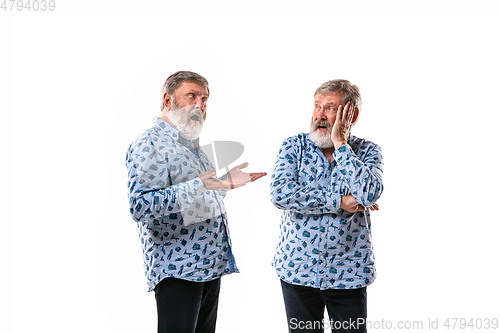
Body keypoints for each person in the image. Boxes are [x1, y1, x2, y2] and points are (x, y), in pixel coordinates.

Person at [126, 71, 266, 333]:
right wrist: (202, 184)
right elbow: (141, 206)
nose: (200, 105)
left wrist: (224, 183)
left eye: (204, 98)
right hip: (178, 270)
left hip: (209, 266)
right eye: (192, 96)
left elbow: (195, 199)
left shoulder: (190, 144)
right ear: (168, 100)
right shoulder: (150, 142)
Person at [270, 79, 383, 333]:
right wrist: (341, 201)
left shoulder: (367, 151)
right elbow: (280, 194)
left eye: (330, 108)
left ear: (351, 114)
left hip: (349, 274)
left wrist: (341, 144)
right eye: (317, 106)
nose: (319, 115)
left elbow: (369, 193)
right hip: (297, 271)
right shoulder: (293, 147)